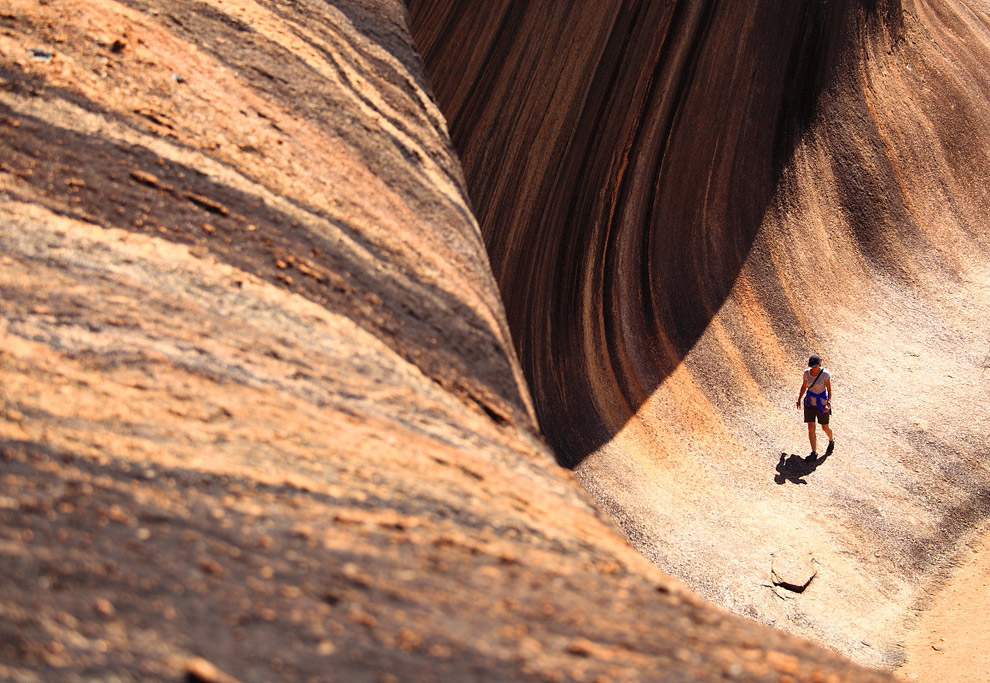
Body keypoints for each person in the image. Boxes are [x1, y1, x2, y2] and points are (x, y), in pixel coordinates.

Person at [795, 354, 834, 459]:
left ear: (820, 364)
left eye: (815, 366)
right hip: (809, 403)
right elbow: (804, 386)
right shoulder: (806, 373)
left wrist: (828, 403)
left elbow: (829, 390)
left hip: (821, 404)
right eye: (812, 366)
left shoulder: (825, 375)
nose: (813, 368)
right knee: (811, 428)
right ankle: (814, 452)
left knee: (824, 427)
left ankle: (831, 440)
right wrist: (799, 399)